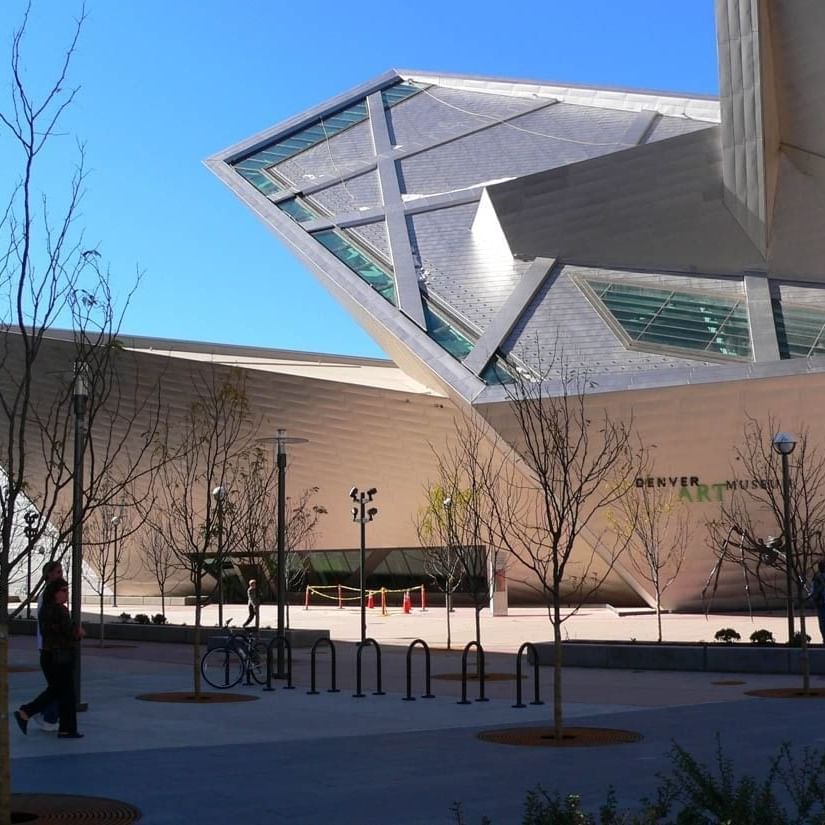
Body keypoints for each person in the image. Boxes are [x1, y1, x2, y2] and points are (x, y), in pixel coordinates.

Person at [14, 577, 85, 739]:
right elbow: (67, 633)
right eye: (64, 591)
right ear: (55, 593)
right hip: (60, 657)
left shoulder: (45, 609)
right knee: (64, 692)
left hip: (48, 656)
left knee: (59, 691)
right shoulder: (60, 610)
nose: (66, 594)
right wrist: (78, 633)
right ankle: (28, 712)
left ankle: (64, 727)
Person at [32, 560, 64, 732]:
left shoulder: (50, 595)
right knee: (58, 685)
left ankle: (44, 713)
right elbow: (50, 623)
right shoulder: (48, 596)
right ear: (49, 575)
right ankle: (45, 716)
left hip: (50, 646)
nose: (61, 575)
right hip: (49, 647)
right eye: (58, 572)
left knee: (57, 685)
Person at [811, 560, 825, 644]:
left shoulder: (817, 578)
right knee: (823, 625)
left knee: (823, 624)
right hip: (821, 604)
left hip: (821, 604)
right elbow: (815, 593)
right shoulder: (817, 579)